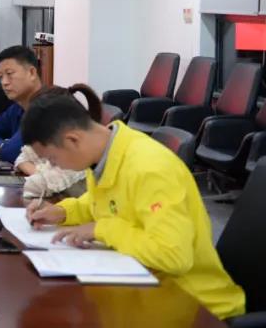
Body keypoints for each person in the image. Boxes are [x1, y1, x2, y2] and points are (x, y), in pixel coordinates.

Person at [23, 90, 245, 320]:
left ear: (72, 140)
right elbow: (105, 204)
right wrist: (62, 211)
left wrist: (103, 229)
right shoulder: (105, 155)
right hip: (147, 288)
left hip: (197, 307)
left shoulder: (150, 168)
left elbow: (173, 256)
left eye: (52, 159)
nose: (54, 166)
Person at [15, 84, 101, 197]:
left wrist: (42, 175)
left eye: (52, 158)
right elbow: (22, 158)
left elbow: (36, 184)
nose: (52, 163)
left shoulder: (83, 156)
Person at [0, 45, 46, 163]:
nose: (4, 82)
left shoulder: (47, 108)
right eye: (1, 76)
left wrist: (6, 147)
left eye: (10, 74)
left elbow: (11, 152)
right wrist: (1, 144)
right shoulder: (17, 107)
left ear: (32, 73)